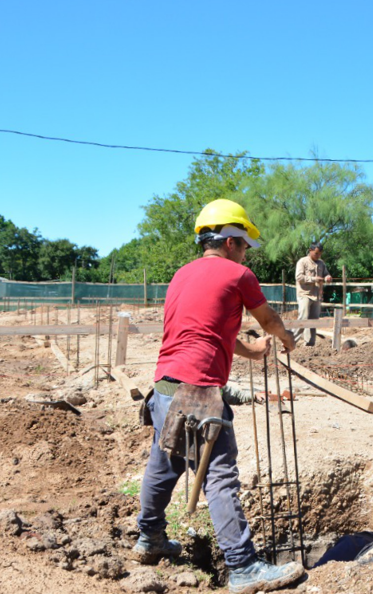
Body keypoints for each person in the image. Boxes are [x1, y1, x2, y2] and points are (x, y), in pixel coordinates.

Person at [133, 198, 304, 593]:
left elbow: (205, 333)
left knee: (163, 466)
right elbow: (268, 319)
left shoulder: (181, 276)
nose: (246, 254)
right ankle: (243, 566)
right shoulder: (238, 275)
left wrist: (251, 350)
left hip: (163, 390)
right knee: (221, 477)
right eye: (244, 245)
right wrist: (283, 338)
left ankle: (150, 538)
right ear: (229, 240)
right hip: (198, 396)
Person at [295, 242, 332, 346]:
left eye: (320, 254)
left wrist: (328, 277)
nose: (318, 255)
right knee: (303, 318)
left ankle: (310, 343)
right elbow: (299, 277)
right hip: (305, 294)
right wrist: (314, 279)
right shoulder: (302, 262)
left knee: (314, 321)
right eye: (316, 253)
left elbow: (326, 274)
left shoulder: (321, 263)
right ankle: (291, 340)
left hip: (317, 295)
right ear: (310, 250)